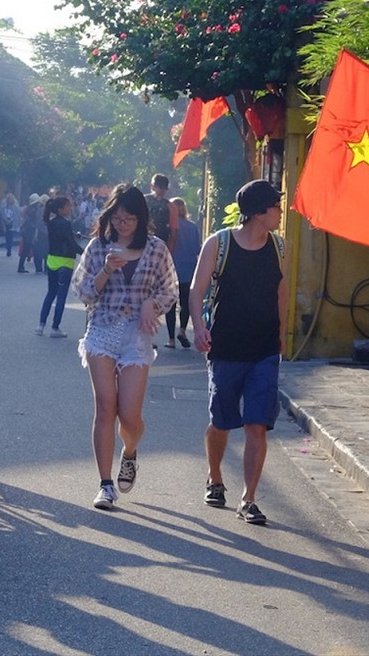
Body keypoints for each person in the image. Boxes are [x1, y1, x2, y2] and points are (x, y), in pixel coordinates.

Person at [72, 184, 177, 511]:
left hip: (137, 336)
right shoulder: (97, 247)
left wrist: (153, 305)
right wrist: (106, 270)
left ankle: (129, 453)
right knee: (106, 408)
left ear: (141, 218)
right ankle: (105, 485)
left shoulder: (157, 249)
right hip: (102, 329)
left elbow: (170, 290)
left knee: (129, 416)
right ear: (110, 217)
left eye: (130, 218)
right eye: (118, 218)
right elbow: (84, 293)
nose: (123, 224)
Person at [188, 179, 287, 526]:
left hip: (264, 349)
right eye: (275, 206)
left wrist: (282, 334)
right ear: (260, 212)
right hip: (225, 347)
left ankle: (249, 498)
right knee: (221, 422)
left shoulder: (278, 246)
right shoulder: (220, 243)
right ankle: (215, 478)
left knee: (257, 424)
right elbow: (197, 290)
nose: (279, 212)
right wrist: (200, 328)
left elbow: (281, 292)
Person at [36, 196, 83, 338]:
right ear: (60, 209)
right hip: (65, 262)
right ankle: (55, 328)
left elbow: (64, 237)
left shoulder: (51, 222)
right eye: (68, 206)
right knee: (61, 296)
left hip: (52, 261)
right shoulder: (65, 224)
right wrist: (85, 252)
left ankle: (41, 325)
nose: (70, 208)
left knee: (50, 293)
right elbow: (70, 243)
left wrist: (74, 236)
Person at [165, 197, 201, 349]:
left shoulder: (168, 227)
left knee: (170, 305)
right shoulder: (192, 227)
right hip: (188, 269)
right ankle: (182, 331)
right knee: (185, 303)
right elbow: (197, 249)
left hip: (170, 269)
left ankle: (171, 340)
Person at [145, 173, 179, 255]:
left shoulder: (142, 201)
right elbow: (173, 235)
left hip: (142, 243)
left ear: (152, 186)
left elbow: (174, 235)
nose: (163, 191)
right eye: (162, 188)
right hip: (159, 246)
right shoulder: (170, 206)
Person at [17, 193, 39, 273]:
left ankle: (21, 266)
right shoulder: (33, 211)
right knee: (33, 250)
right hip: (29, 232)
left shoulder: (29, 209)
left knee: (25, 250)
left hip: (26, 232)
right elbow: (35, 223)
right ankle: (37, 267)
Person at [0, 193, 20, 257]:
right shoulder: (4, 207)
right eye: (8, 199)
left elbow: (17, 216)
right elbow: (1, 214)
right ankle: (8, 248)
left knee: (10, 237)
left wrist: (16, 224)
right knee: (7, 237)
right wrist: (4, 221)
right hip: (5, 224)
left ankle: (9, 250)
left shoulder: (15, 207)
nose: (9, 200)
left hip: (12, 224)